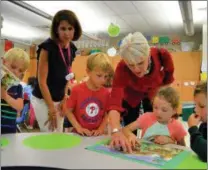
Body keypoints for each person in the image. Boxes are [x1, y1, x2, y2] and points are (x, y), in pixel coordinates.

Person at [108, 32, 175, 152]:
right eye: (131, 65)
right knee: (129, 127)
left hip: (154, 96)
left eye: (140, 63)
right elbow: (114, 103)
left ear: (148, 54)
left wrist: (167, 113)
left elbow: (167, 87)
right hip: (131, 97)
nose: (136, 69)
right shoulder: (122, 67)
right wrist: (116, 131)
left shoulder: (162, 56)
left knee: (154, 127)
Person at [31, 9, 82, 132]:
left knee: (58, 133)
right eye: (63, 28)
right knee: (49, 133)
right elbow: (42, 82)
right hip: (43, 99)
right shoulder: (47, 48)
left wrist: (64, 98)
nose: (67, 33)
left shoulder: (72, 49)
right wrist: (51, 108)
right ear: (56, 30)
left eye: (70, 28)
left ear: (75, 29)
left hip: (59, 98)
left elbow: (67, 76)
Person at [122, 86, 187, 151]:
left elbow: (183, 148)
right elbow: (125, 129)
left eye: (164, 110)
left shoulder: (178, 126)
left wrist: (171, 142)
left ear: (174, 111)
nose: (158, 113)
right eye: (155, 107)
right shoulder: (146, 117)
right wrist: (130, 135)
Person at [65, 53, 113, 136]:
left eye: (106, 76)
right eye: (99, 75)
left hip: (97, 135)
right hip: (79, 134)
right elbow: (68, 111)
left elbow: (107, 113)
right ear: (88, 72)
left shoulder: (106, 93)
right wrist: (78, 127)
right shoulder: (77, 90)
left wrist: (101, 129)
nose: (103, 80)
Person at [1, 48, 30, 134]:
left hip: (9, 128)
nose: (15, 72)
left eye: (20, 70)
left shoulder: (18, 87)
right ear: (3, 62)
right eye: (13, 67)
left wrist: (5, 96)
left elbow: (20, 107)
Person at [188, 81, 207, 162]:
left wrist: (193, 129)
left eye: (201, 106)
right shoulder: (204, 125)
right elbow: (195, 146)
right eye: (195, 105)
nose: (195, 109)